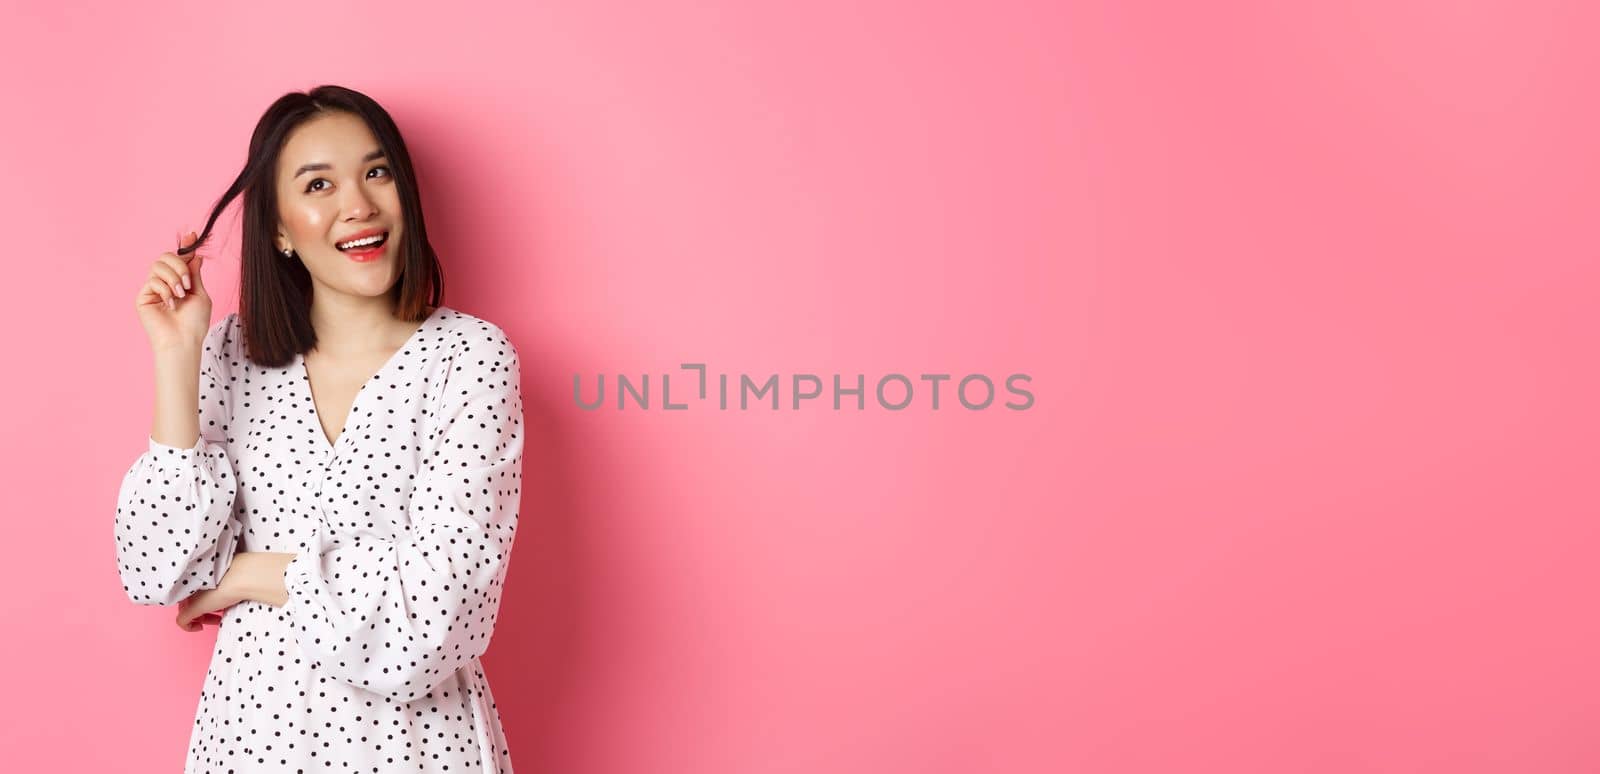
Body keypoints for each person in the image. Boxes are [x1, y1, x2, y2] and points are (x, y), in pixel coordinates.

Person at [114, 85, 523, 772]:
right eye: (319, 184)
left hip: (417, 749)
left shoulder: (471, 360)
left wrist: (247, 575)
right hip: (252, 741)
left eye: (377, 172)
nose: (358, 205)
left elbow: (440, 613)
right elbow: (157, 568)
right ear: (278, 229)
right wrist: (177, 355)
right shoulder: (231, 356)